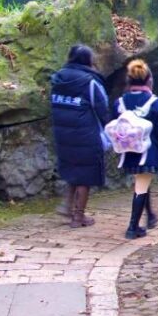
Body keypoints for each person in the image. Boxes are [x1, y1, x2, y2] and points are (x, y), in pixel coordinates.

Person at [50, 44, 111, 228]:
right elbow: (103, 109)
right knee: (85, 175)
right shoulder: (90, 82)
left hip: (63, 135)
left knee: (73, 170)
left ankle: (68, 206)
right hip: (86, 135)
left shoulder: (58, 78)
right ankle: (78, 217)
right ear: (88, 61)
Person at [114, 59, 158, 239]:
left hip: (128, 150)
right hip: (148, 151)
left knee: (142, 183)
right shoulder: (153, 101)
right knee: (141, 185)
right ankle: (132, 227)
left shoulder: (121, 101)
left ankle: (150, 216)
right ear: (149, 80)